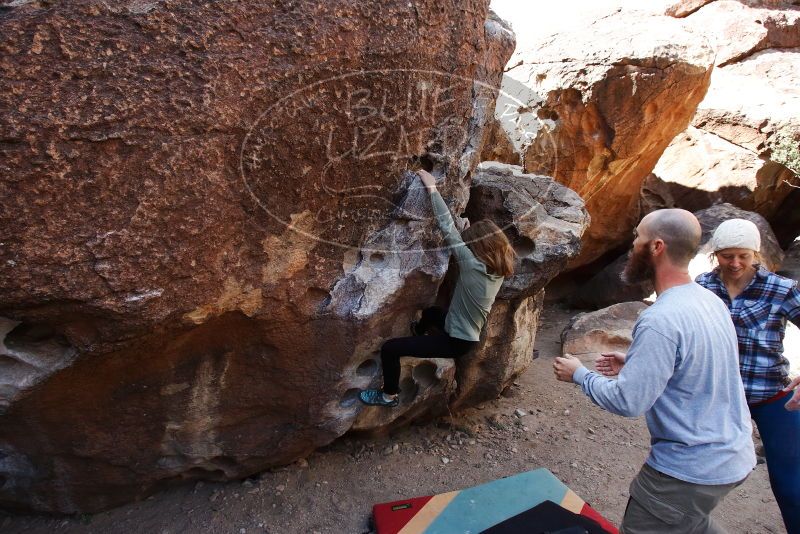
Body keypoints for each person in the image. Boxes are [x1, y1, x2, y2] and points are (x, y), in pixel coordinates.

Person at [553, 209, 755, 534]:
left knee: (663, 520)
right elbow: (696, 365)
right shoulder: (709, 301)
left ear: (657, 247)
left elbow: (628, 401)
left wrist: (579, 374)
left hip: (687, 471)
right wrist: (637, 362)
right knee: (691, 523)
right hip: (733, 457)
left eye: (637, 238)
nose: (633, 245)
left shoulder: (660, 319)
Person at [359, 169, 514, 407]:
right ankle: (419, 335)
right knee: (431, 313)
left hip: (455, 342)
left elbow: (447, 228)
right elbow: (490, 244)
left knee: (391, 349)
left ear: (479, 249)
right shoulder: (500, 269)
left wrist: (432, 188)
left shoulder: (472, 265)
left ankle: (388, 395)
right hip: (464, 333)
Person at [695, 219, 800, 532]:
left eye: (743, 255)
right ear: (716, 255)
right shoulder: (703, 285)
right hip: (719, 397)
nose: (736, 263)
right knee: (696, 479)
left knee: (791, 485)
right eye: (727, 256)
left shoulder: (781, 289)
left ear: (756, 253)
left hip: (772, 396)